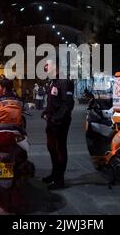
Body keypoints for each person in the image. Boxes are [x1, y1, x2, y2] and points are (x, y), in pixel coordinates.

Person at [41, 59, 75, 190]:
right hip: (51, 122)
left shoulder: (65, 82)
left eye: (47, 65)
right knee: (51, 149)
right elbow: (51, 102)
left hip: (60, 123)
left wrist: (56, 118)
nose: (45, 67)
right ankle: (54, 175)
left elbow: (68, 104)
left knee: (60, 149)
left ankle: (60, 180)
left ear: (55, 67)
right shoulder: (53, 82)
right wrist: (45, 113)